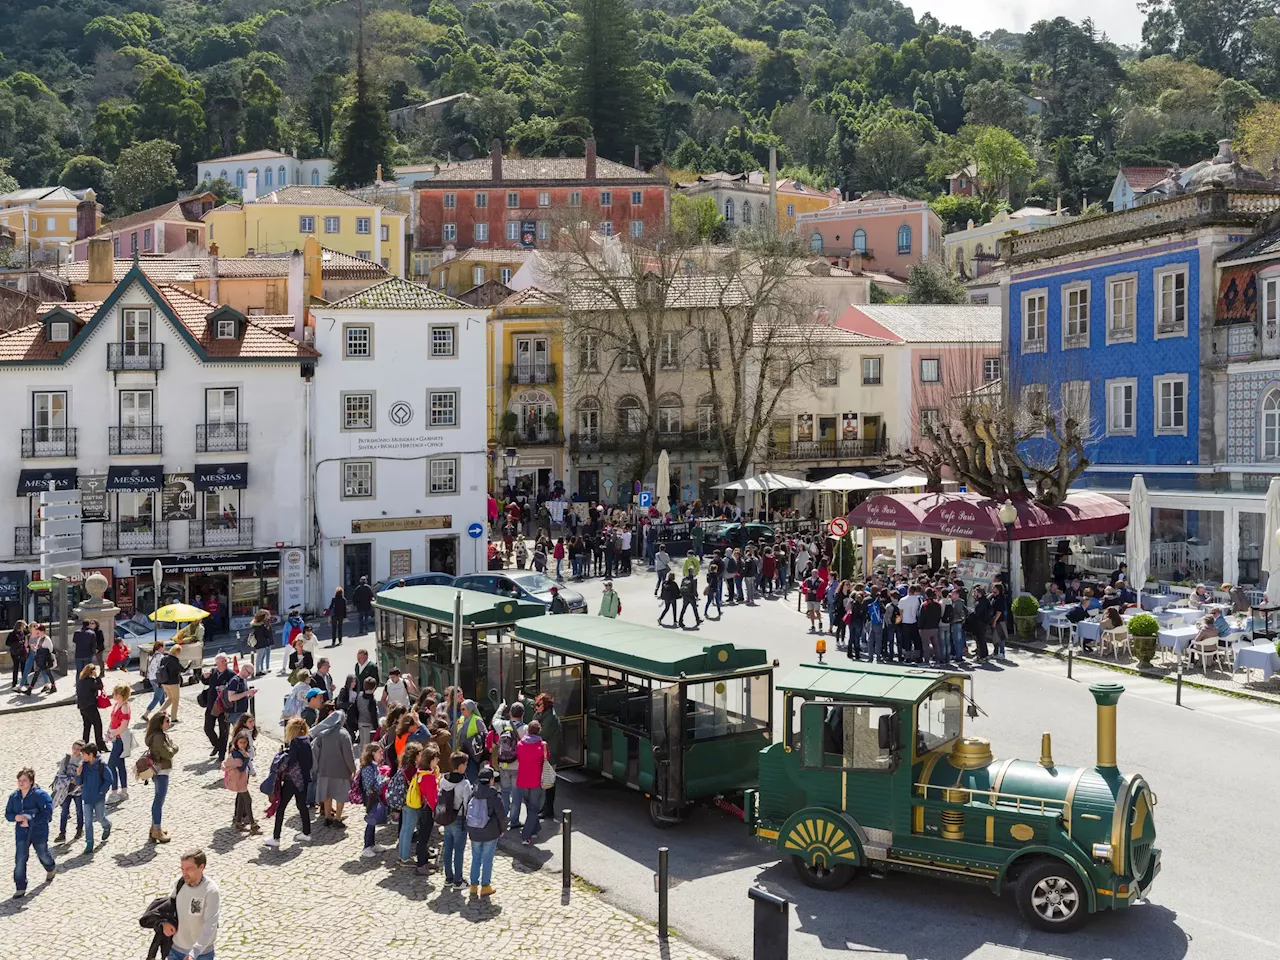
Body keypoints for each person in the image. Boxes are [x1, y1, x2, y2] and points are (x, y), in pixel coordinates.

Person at [6, 767, 55, 899]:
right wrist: (15, 817)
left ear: (31, 781)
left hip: (38, 832)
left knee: (42, 853)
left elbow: (47, 814)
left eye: (24, 780)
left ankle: (50, 867)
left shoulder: (40, 795)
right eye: (19, 780)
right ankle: (20, 887)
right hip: (21, 833)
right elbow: (8, 814)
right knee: (20, 858)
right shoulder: (14, 797)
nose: (21, 783)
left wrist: (31, 821)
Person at [266, 717, 313, 848]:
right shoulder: (307, 741)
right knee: (302, 806)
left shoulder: (295, 743)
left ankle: (276, 838)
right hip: (303, 779)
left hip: (291, 780)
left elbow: (290, 761)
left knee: (281, 808)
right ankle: (306, 833)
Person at [168, 848, 220, 960]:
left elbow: (210, 925)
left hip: (202, 954)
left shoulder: (210, 890)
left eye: (189, 869)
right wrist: (165, 923)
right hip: (176, 949)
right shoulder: (179, 883)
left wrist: (194, 953)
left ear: (201, 867)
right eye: (182, 869)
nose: (184, 873)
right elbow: (168, 907)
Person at [311, 703, 357, 827]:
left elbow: (316, 750)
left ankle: (327, 817)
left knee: (327, 794)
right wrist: (353, 769)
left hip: (324, 770)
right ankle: (337, 819)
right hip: (341, 771)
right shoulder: (344, 734)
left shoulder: (323, 733)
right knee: (340, 795)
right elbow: (349, 755)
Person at [465, 766, 506, 897]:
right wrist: (502, 830)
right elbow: (501, 815)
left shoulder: (473, 793)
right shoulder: (494, 796)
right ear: (491, 780)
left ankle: (473, 886)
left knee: (476, 858)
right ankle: (485, 886)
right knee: (487, 859)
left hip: (475, 832)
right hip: (490, 833)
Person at [436, 751, 472, 887]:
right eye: (466, 764)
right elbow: (467, 803)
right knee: (458, 851)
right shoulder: (465, 783)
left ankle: (448, 878)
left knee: (447, 849)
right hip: (459, 819)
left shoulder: (444, 780)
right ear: (461, 765)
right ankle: (458, 880)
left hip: (446, 818)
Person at [488, 702, 526, 823]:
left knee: (505, 791)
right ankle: (514, 820)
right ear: (523, 715)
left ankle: (503, 816)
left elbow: (494, 719)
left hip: (503, 764)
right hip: (517, 765)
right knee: (516, 794)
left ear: (509, 713)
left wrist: (501, 707)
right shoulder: (525, 729)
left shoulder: (501, 725)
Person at [512, 719, 549, 844]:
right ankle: (526, 835)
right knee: (534, 808)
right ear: (539, 731)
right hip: (536, 781)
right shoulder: (542, 745)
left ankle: (535, 829)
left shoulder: (520, 744)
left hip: (522, 780)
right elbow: (546, 759)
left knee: (529, 806)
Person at [145, 713, 178, 843]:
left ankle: (154, 827)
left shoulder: (158, 735)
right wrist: (174, 747)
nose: (169, 723)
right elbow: (168, 753)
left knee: (159, 800)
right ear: (160, 723)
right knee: (159, 801)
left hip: (160, 770)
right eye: (167, 721)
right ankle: (157, 832)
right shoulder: (159, 737)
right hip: (161, 771)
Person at [75, 743, 111, 855]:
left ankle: (107, 826)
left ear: (91, 755)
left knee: (100, 817)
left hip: (99, 797)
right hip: (87, 798)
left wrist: (101, 791)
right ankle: (89, 842)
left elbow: (109, 779)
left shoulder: (101, 765)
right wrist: (78, 774)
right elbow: (78, 783)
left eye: (84, 755)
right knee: (88, 821)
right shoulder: (84, 766)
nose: (82, 757)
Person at [357, 743, 388, 858]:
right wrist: (385, 781)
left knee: (374, 821)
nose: (381, 754)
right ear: (373, 753)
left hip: (376, 797)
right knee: (370, 821)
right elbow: (371, 787)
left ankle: (372, 844)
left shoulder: (374, 766)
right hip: (371, 798)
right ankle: (366, 847)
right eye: (379, 752)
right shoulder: (368, 768)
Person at [201, 655, 235, 762]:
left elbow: (235, 686)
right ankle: (216, 745)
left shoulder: (231, 674)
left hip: (224, 706)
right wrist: (204, 676)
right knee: (208, 728)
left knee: (224, 731)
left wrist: (225, 688)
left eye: (226, 660)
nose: (225, 662)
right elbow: (205, 682)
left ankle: (221, 753)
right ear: (217, 663)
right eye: (223, 661)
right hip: (212, 705)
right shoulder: (213, 672)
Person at [222, 731, 256, 833]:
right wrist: (246, 758)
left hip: (241, 780)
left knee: (241, 801)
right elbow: (240, 768)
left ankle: (238, 823)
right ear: (236, 743)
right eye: (241, 742)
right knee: (248, 801)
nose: (243, 745)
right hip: (239, 781)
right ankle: (253, 824)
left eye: (245, 743)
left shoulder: (241, 753)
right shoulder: (236, 755)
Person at [51, 741, 84, 844]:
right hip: (66, 790)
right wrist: (70, 779)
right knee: (64, 811)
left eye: (78, 749)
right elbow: (60, 774)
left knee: (79, 810)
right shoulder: (66, 760)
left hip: (78, 790)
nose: (75, 751)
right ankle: (62, 833)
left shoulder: (83, 762)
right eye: (74, 748)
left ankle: (79, 830)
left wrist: (78, 780)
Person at [105, 684, 132, 802]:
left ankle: (114, 792)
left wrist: (113, 733)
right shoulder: (117, 704)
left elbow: (123, 725)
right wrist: (109, 731)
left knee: (111, 765)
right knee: (120, 765)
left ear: (120, 695)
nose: (113, 695)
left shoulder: (125, 707)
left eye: (115, 693)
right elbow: (113, 720)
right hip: (116, 738)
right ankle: (124, 791)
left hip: (120, 739)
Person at [453, 699, 488, 781]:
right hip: (461, 752)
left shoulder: (477, 720)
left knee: (472, 775)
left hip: (472, 753)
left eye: (463, 709)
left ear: (470, 709)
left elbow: (485, 734)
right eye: (460, 709)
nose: (461, 711)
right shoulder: (461, 719)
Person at [76, 663, 107, 751]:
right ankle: (100, 745)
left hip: (82, 706)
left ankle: (84, 745)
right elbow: (100, 686)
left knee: (87, 726)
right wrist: (97, 677)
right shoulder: (90, 681)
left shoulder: (80, 680)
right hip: (90, 706)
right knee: (98, 725)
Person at [157, 644, 184, 723]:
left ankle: (159, 712)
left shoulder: (164, 658)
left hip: (164, 682)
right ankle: (174, 718)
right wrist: (189, 664)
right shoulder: (175, 660)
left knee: (170, 699)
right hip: (173, 683)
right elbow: (183, 669)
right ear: (177, 652)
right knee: (175, 700)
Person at [248, 611, 273, 677]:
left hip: (257, 643)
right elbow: (266, 634)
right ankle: (257, 671)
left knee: (259, 657)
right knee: (260, 657)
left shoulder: (254, 625)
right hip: (262, 643)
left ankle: (259, 670)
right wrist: (267, 628)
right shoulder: (262, 626)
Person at [6, 622, 27, 688]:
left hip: (22, 652)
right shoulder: (12, 634)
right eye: (23, 626)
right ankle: (14, 683)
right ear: (19, 626)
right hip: (15, 653)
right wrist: (16, 644)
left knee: (23, 667)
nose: (24, 627)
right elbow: (7, 643)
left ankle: (24, 681)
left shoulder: (22, 632)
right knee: (16, 667)